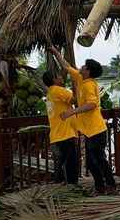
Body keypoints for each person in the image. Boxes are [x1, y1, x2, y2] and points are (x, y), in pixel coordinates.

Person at [50, 46, 116, 194]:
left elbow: (92, 104)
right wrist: (55, 52)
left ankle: (109, 185)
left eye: (84, 66)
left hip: (96, 130)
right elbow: (66, 66)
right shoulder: (81, 79)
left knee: (97, 161)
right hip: (89, 130)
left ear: (89, 71)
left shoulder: (89, 85)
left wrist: (73, 111)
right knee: (94, 163)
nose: (81, 66)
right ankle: (102, 186)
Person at [42, 70, 79, 185]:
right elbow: (75, 100)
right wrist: (78, 84)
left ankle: (61, 188)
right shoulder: (58, 91)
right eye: (58, 75)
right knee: (71, 164)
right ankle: (72, 188)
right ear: (54, 79)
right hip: (65, 134)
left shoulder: (50, 93)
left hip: (56, 135)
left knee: (61, 165)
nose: (61, 77)